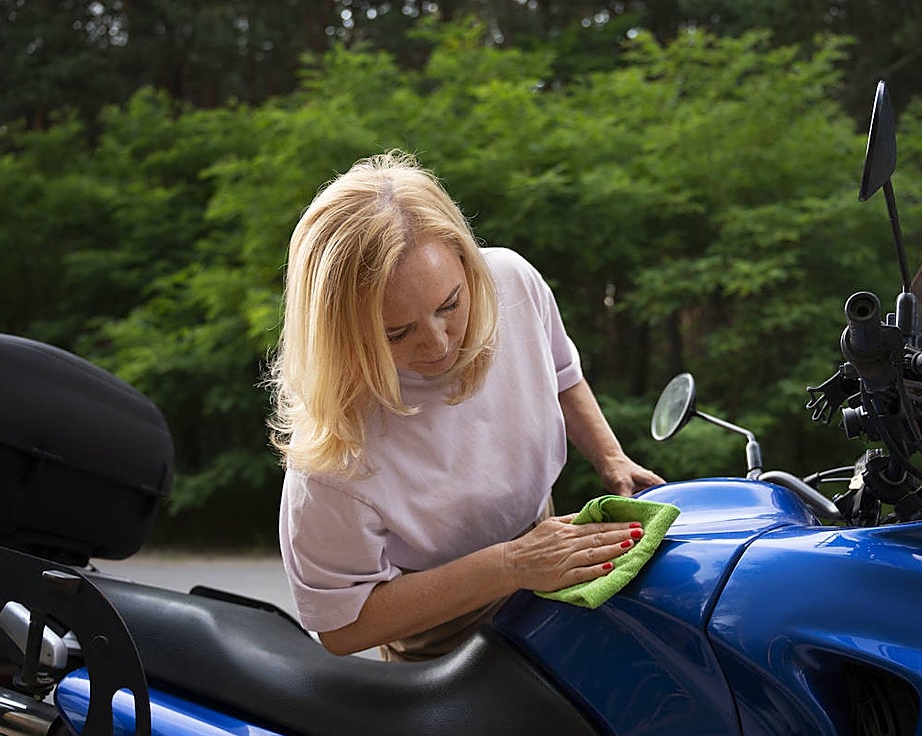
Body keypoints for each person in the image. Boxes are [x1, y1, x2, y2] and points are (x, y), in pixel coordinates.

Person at [270, 151, 663, 661]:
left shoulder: (511, 283)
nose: (437, 345)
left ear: (466, 262)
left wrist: (612, 460)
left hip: (541, 556)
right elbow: (343, 627)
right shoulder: (331, 454)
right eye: (397, 332)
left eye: (450, 305)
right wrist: (510, 566)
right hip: (438, 635)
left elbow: (562, 373)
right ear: (340, 335)